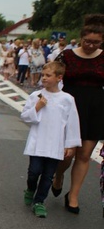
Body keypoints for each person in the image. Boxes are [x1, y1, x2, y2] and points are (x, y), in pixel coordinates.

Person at [52, 14, 104, 213]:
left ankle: (73, 196)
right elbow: (52, 76)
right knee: (66, 155)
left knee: (84, 155)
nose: (91, 45)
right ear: (81, 38)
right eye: (87, 41)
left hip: (96, 108)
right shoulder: (67, 55)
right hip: (69, 107)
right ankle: (58, 177)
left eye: (96, 42)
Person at [21, 61, 81, 218]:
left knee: (48, 176)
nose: (44, 78)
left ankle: (39, 202)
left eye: (48, 75)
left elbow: (72, 123)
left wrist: (70, 144)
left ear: (59, 77)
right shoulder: (36, 96)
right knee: (34, 172)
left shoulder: (67, 99)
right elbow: (25, 117)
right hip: (38, 142)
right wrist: (37, 107)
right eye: (43, 75)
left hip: (55, 144)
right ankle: (30, 189)